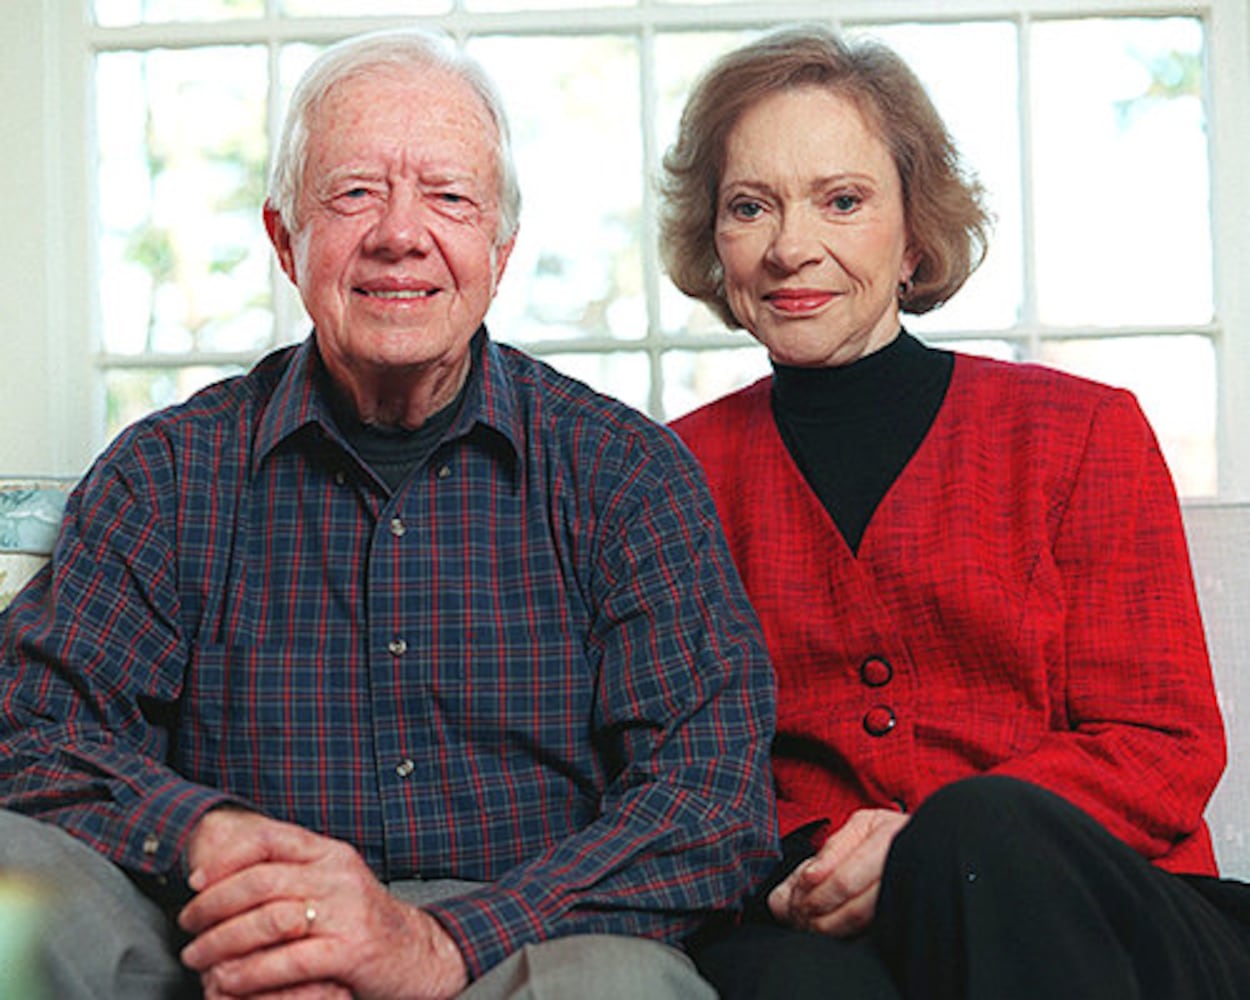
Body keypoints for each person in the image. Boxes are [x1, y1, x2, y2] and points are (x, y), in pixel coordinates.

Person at [0, 29, 779, 1000]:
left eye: (448, 197)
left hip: (520, 944)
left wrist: (427, 941)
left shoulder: (621, 473)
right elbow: (25, 731)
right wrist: (215, 847)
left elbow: (710, 802)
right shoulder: (163, 475)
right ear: (286, 239)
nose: (399, 233)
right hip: (216, 931)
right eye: (354, 192)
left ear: (499, 250)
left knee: (617, 987)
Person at [660, 23, 1250, 1000]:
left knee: (979, 836)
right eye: (748, 206)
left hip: (1088, 908)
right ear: (713, 241)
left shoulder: (1080, 432)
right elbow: (667, 771)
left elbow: (1163, 745)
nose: (789, 247)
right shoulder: (671, 472)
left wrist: (920, 838)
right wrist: (809, 863)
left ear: (912, 234)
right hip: (808, 912)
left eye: (840, 200)